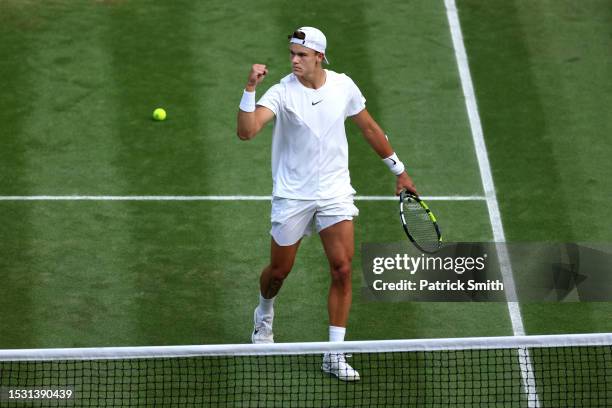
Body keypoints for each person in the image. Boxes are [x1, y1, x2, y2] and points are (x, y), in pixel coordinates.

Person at [236, 27, 417, 381]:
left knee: (343, 269)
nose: (294, 60)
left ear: (319, 56)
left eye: (301, 55)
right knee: (279, 273)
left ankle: (334, 354)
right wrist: (249, 89)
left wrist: (400, 171)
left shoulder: (343, 86)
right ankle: (264, 316)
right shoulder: (281, 92)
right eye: (291, 54)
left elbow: (368, 128)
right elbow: (247, 131)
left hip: (335, 192)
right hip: (293, 195)